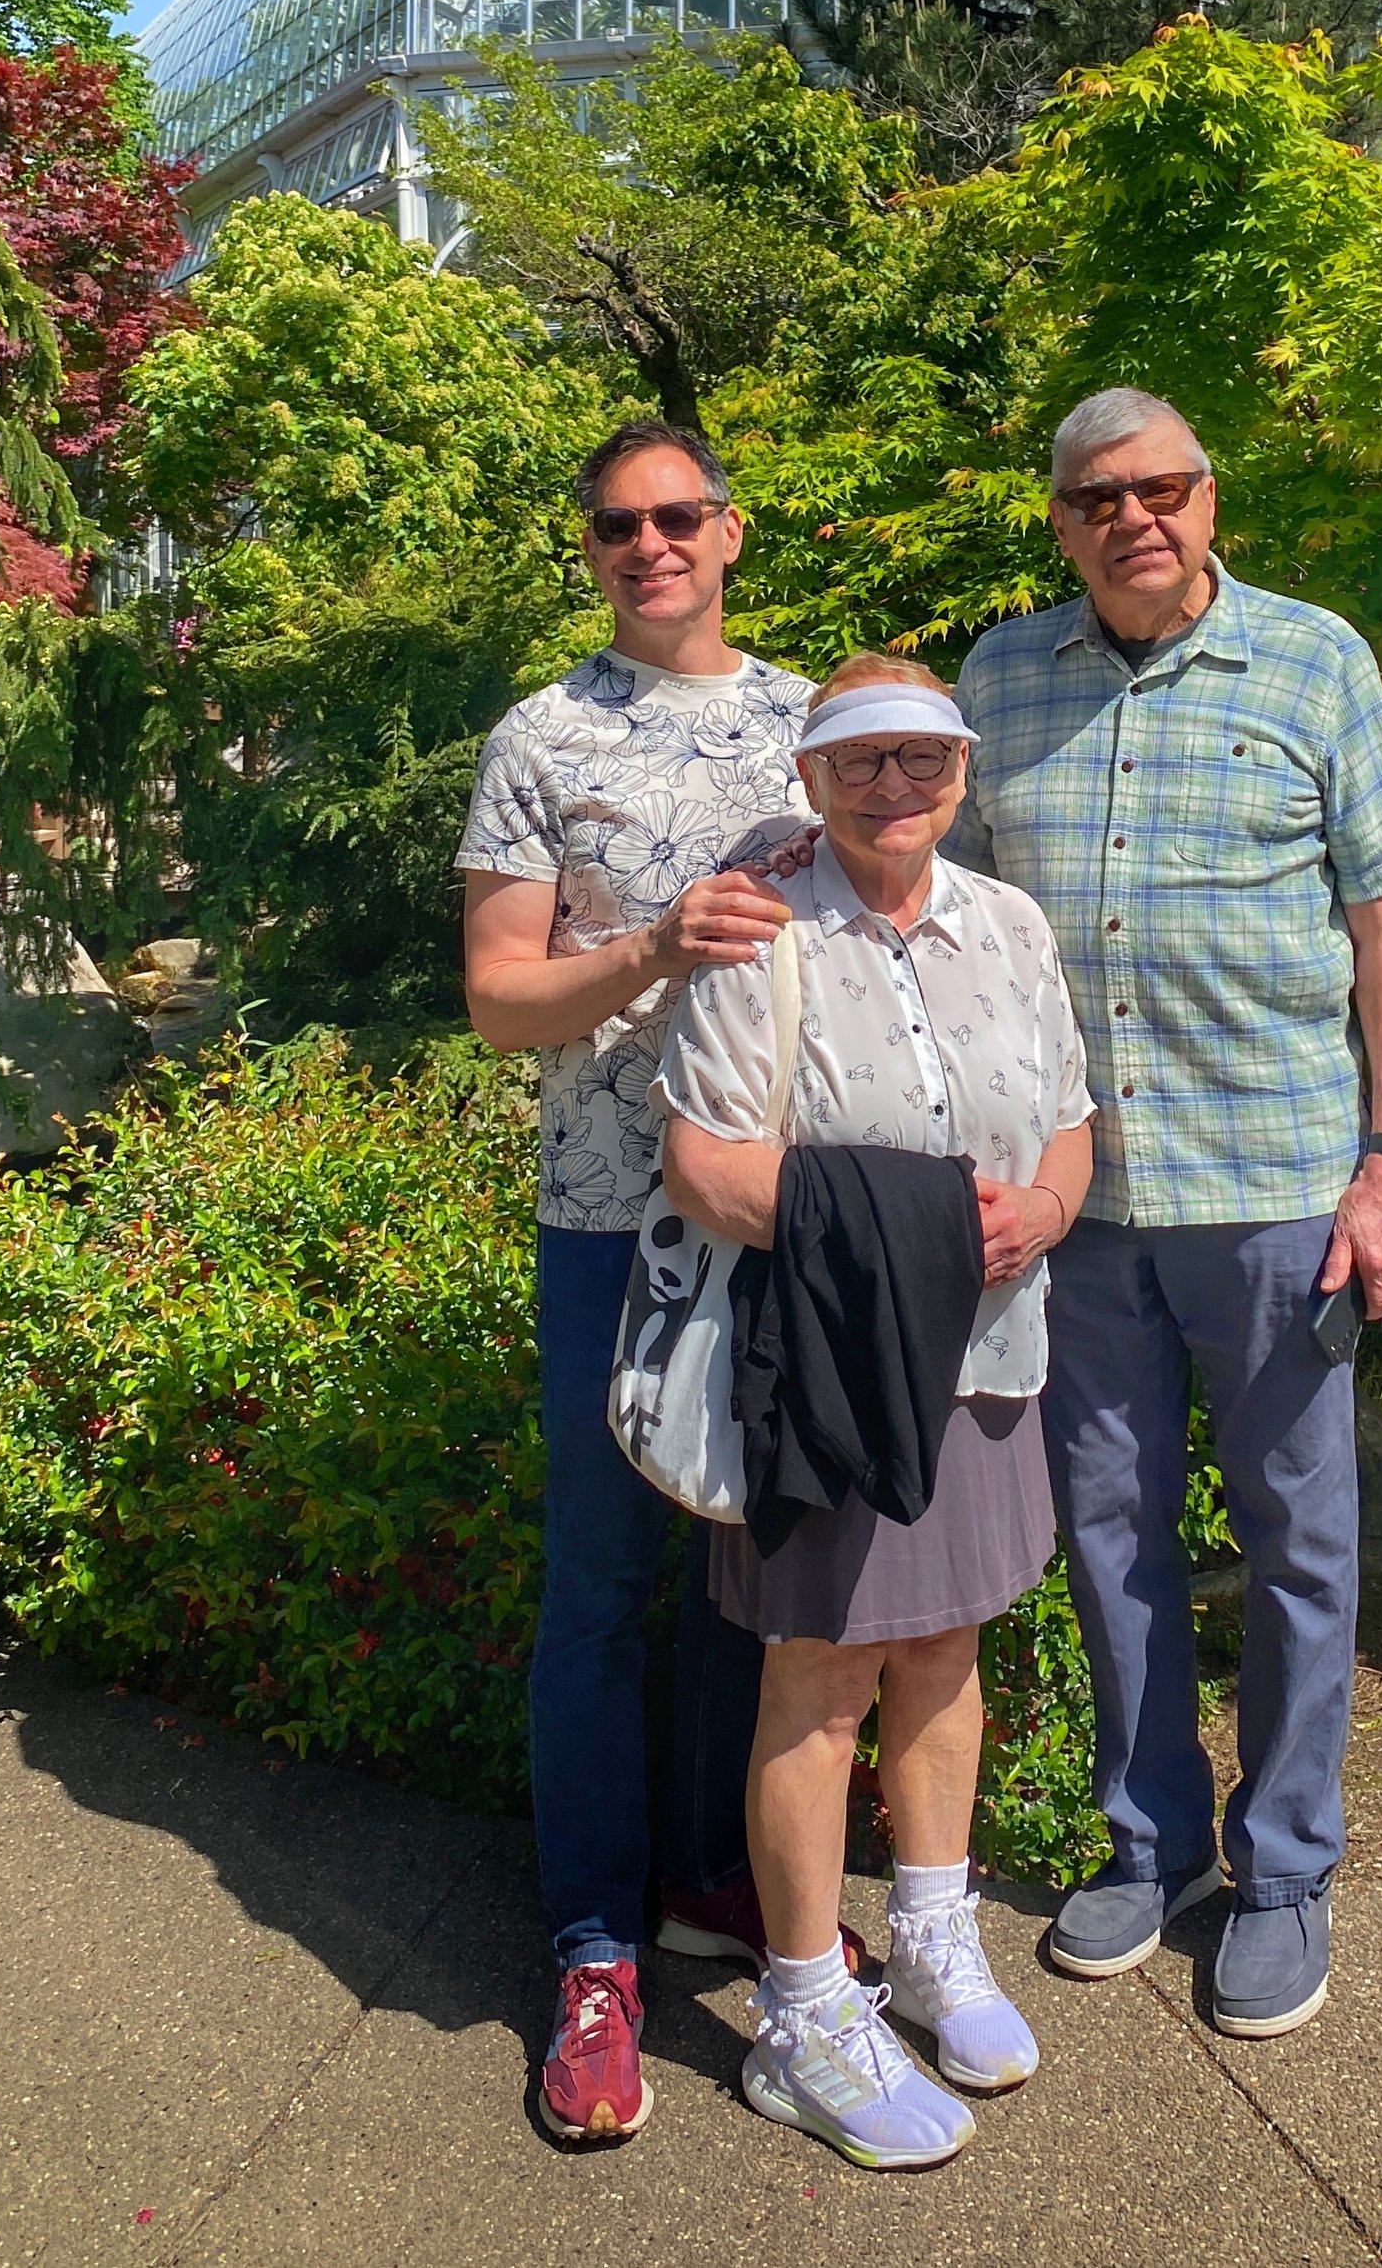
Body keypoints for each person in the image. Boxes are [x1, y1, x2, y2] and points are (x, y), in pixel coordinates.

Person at [952, 387, 1382, 2042]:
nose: (1133, 517)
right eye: (1098, 497)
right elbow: (937, 914)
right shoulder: (1002, 680)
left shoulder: (1314, 660)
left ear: (1208, 495)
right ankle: (1150, 1837)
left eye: (1161, 486)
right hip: (1083, 1201)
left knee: (1302, 1540)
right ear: (1061, 521)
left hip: (1274, 1191)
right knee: (1110, 1534)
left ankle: (1287, 1868)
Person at [657, 654, 1095, 2172]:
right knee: (820, 1678)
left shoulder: (1012, 924)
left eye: (923, 758)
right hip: (834, 1366)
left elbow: (1068, 1124)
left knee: (946, 1646)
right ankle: (798, 2013)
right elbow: (708, 1168)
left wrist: (1038, 1209)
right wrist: (913, 1226)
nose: (894, 786)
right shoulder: (756, 931)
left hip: (985, 1356)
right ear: (812, 778)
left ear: (961, 772)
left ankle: (926, 1936)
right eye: (861, 761)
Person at [457, 418, 819, 2146]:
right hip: (607, 1219)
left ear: (730, 531)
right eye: (619, 524)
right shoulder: (542, 736)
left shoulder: (820, 721)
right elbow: (501, 1000)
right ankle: (597, 1945)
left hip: (780, 1215)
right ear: (592, 548)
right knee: (601, 1584)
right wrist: (654, 945)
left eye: (679, 516)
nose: (651, 543)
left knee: (763, 1571)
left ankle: (716, 1882)